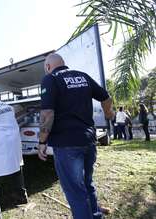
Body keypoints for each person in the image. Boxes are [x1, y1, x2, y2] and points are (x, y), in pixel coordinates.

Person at [37, 53, 114, 219]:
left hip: (66, 145)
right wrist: (109, 113)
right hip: (88, 141)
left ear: (48, 67)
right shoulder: (83, 76)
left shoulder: (50, 79)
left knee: (75, 192)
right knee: (87, 184)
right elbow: (106, 98)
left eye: (45, 68)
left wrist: (42, 141)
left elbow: (48, 114)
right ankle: (95, 215)